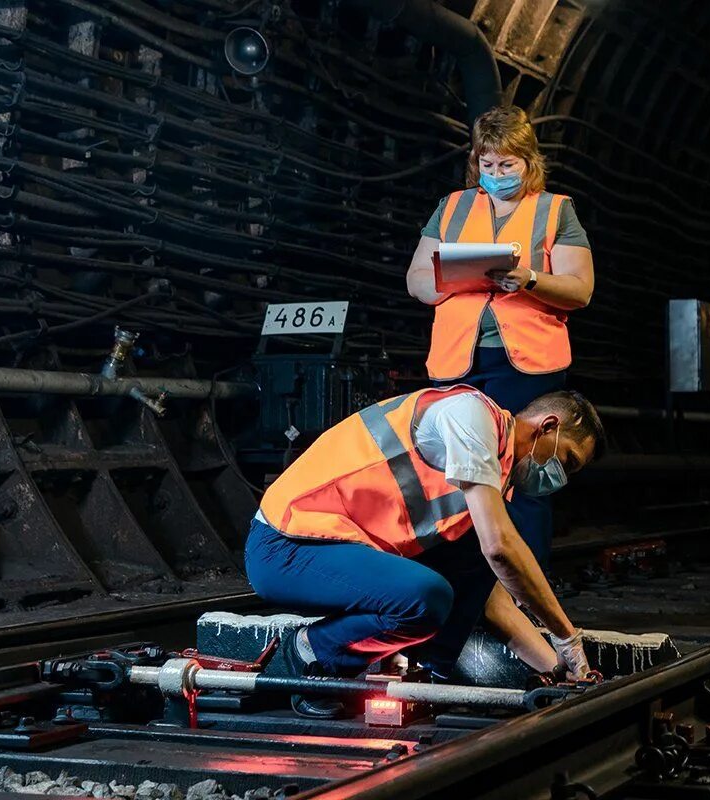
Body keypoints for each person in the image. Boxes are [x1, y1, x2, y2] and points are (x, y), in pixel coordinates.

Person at [245, 384, 605, 699]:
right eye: (568, 461)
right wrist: (565, 635)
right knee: (426, 597)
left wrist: (560, 671)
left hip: (338, 548)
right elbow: (500, 548)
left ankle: (431, 675)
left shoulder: (495, 472)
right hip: (286, 545)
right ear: (548, 426)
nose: (561, 478)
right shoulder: (470, 416)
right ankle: (310, 651)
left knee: (465, 563)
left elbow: (491, 601)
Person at [404, 104, 595, 646]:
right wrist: (458, 281)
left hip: (527, 364)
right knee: (453, 481)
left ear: (529, 162)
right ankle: (459, 595)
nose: (497, 171)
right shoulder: (452, 208)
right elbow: (418, 279)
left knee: (525, 483)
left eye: (508, 163)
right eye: (488, 162)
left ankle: (526, 601)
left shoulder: (556, 210)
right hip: (458, 362)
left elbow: (579, 288)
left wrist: (529, 277)